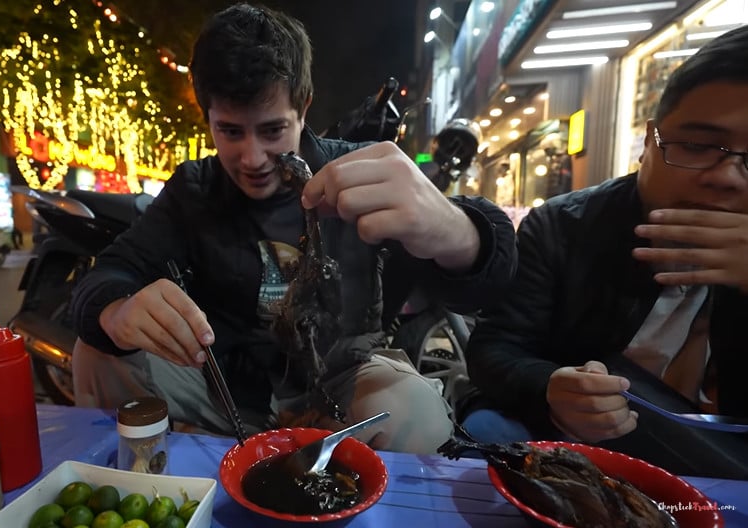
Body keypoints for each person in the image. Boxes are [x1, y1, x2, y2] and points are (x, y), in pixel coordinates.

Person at [70, 3, 517, 454]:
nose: (252, 158)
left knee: (417, 413)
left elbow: (489, 278)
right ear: (207, 116)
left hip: (344, 379)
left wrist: (458, 231)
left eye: (272, 130)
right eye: (230, 132)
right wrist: (117, 312)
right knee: (97, 350)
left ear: (303, 107)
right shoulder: (195, 188)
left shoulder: (360, 169)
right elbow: (108, 274)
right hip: (224, 383)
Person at [462, 25, 748, 476]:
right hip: (568, 443)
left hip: (714, 456)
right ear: (648, 142)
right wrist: (552, 387)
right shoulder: (563, 225)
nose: (728, 177)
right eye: (695, 145)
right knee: (484, 433)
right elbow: (496, 348)